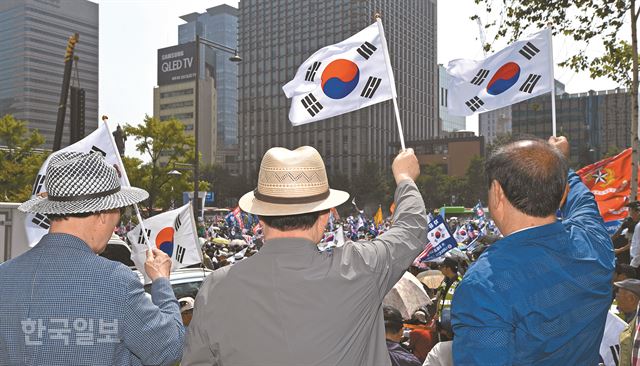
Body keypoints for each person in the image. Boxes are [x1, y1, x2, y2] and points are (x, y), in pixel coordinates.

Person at [183, 146, 427, 365]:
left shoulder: (216, 289)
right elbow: (411, 230)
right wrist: (404, 179)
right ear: (324, 218)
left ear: (259, 217)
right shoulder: (360, 267)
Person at [0, 152, 184, 365]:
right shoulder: (117, 282)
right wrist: (161, 281)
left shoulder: (4, 276)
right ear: (104, 214)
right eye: (120, 211)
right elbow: (169, 349)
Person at [451, 137, 615, 365]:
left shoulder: (484, 285)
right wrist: (560, 165)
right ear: (563, 193)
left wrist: (559, 163)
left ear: (497, 192)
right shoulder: (593, 242)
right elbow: (583, 201)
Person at [615, 279, 640, 365]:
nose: (616, 296)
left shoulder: (636, 328)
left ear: (631, 298)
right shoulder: (632, 321)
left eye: (618, 292)